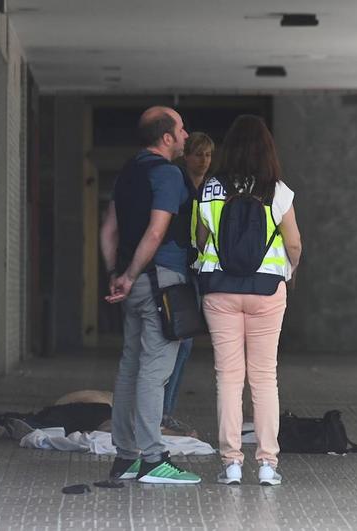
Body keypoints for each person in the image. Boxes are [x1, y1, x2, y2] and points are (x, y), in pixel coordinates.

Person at [196, 115, 302, 486]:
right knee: (263, 376)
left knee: (228, 377)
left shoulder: (211, 187)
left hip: (220, 290)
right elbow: (293, 244)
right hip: (267, 291)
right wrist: (290, 270)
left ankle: (231, 463)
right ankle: (268, 464)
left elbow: (200, 238)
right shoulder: (279, 190)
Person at [99, 105, 201, 484]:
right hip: (161, 284)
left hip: (134, 286)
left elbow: (109, 230)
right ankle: (152, 459)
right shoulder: (168, 175)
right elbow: (157, 232)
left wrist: (118, 274)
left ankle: (125, 457)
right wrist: (131, 273)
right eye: (182, 129)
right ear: (167, 137)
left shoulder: (128, 174)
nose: (187, 136)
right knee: (154, 372)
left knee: (130, 367)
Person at [161, 132, 215, 435]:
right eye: (198, 154)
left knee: (186, 342)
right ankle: (161, 412)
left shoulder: (211, 187)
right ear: (186, 156)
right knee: (175, 340)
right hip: (175, 266)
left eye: (208, 155)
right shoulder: (177, 182)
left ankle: (166, 412)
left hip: (199, 270)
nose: (204, 161)